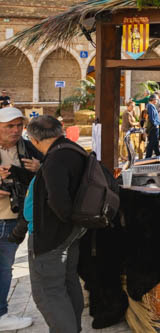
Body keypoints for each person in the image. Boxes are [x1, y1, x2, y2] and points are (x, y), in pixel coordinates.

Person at [24, 115, 85, 332]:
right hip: (72, 233)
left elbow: (59, 203)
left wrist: (61, 224)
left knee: (48, 293)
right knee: (67, 287)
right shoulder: (74, 151)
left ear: (33, 140)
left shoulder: (54, 160)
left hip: (52, 237)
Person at [0, 108, 39, 330]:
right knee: (3, 269)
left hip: (13, 217)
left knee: (4, 267)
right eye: (9, 126)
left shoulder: (26, 146)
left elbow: (49, 172)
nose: (15, 131)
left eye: (18, 126)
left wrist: (39, 168)